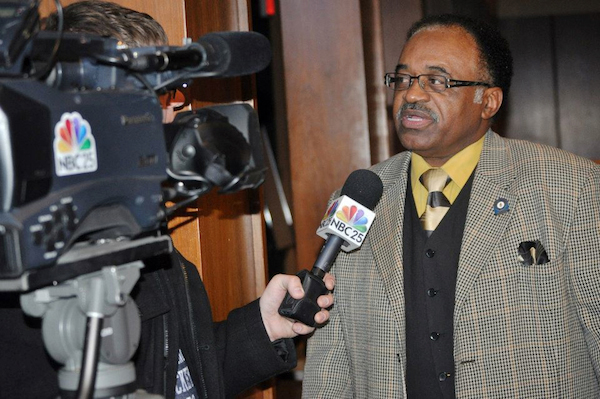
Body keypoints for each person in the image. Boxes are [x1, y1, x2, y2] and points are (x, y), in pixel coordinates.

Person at [0, 2, 334, 399]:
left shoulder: (136, 216)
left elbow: (185, 373)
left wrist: (264, 326)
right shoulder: (32, 246)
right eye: (159, 91)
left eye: (176, 87)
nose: (178, 104)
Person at [303, 13, 600, 399]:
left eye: (436, 81)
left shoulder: (571, 187)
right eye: (403, 79)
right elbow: (331, 350)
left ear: (488, 100)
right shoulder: (357, 197)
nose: (411, 94)